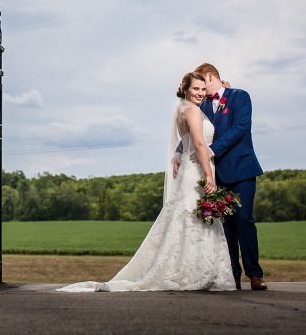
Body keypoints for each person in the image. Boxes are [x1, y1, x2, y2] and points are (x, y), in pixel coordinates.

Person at [57, 72, 236, 292]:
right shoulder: (193, 111)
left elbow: (187, 140)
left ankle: (190, 268)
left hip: (188, 171)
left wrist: (179, 155)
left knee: (186, 219)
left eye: (202, 89)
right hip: (197, 171)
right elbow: (199, 145)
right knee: (193, 218)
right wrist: (209, 177)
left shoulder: (182, 109)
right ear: (186, 89)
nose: (199, 93)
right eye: (195, 89)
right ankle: (194, 272)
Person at [190, 63, 267, 291]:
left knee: (244, 220)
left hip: (242, 170)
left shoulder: (239, 96)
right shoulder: (201, 105)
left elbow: (241, 127)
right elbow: (190, 132)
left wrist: (212, 149)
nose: (202, 92)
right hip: (216, 174)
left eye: (203, 85)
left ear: (211, 77)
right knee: (225, 227)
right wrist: (178, 153)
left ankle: (254, 274)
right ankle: (232, 276)